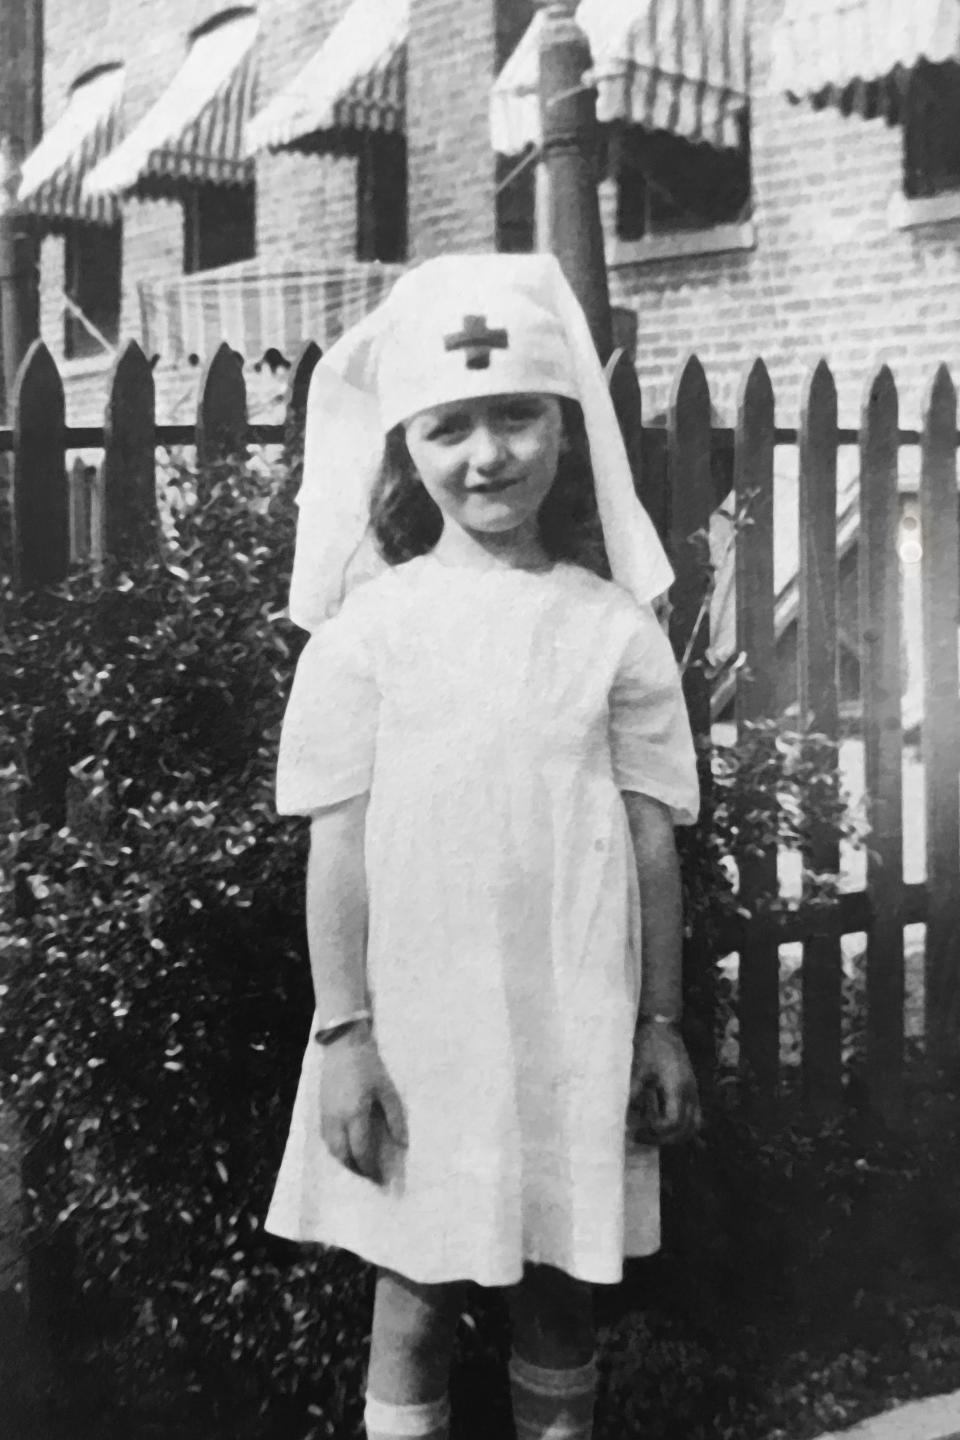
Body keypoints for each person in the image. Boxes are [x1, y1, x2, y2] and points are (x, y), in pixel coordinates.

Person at [267, 253, 701, 1440]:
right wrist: (344, 1033)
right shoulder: (369, 635)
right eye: (450, 426)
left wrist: (659, 1020)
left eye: (516, 417)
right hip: (421, 1024)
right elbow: (339, 851)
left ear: (565, 431)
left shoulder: (608, 629)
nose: (487, 455)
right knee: (412, 1297)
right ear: (408, 447)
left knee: (562, 1295)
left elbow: (649, 840)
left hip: (574, 1012)